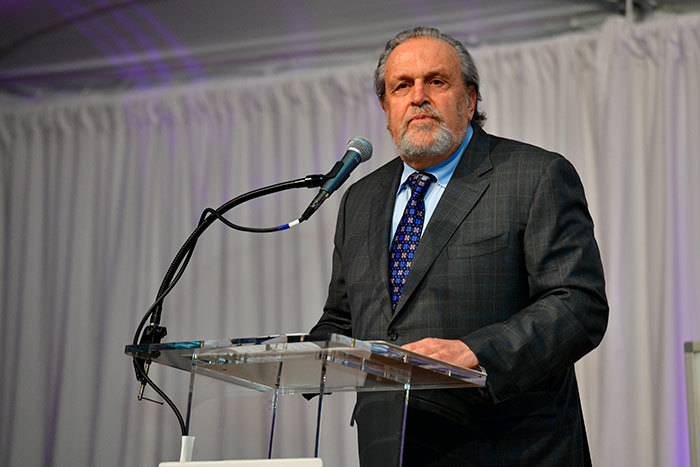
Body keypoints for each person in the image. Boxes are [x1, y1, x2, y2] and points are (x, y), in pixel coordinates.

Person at [310, 26, 608, 466]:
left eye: (436, 81)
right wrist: (295, 355)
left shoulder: (533, 175)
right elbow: (343, 317)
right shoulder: (360, 199)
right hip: (390, 446)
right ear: (387, 109)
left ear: (469, 100)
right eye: (402, 86)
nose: (418, 97)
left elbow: (578, 305)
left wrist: (475, 352)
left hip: (509, 446)